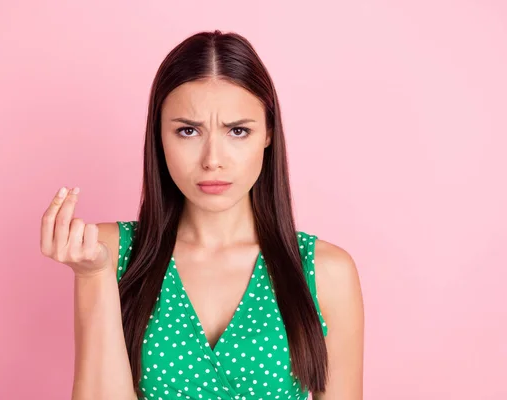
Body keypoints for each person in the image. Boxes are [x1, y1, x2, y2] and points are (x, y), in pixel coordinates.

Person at [40, 30, 364, 400]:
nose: (212, 160)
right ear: (159, 136)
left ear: (268, 133)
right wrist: (93, 274)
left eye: (238, 131)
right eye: (188, 131)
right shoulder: (110, 253)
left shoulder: (324, 271)